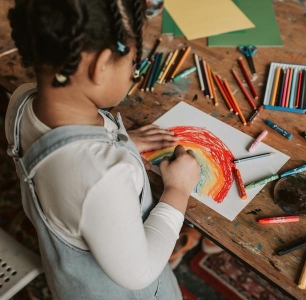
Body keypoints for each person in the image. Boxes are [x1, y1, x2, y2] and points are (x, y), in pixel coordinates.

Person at [5, 0, 201, 299]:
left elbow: (66, 160)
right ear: (101, 66)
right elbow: (140, 273)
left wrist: (119, 141)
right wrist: (178, 189)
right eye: (133, 64)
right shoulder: (101, 177)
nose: (133, 73)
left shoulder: (22, 101)